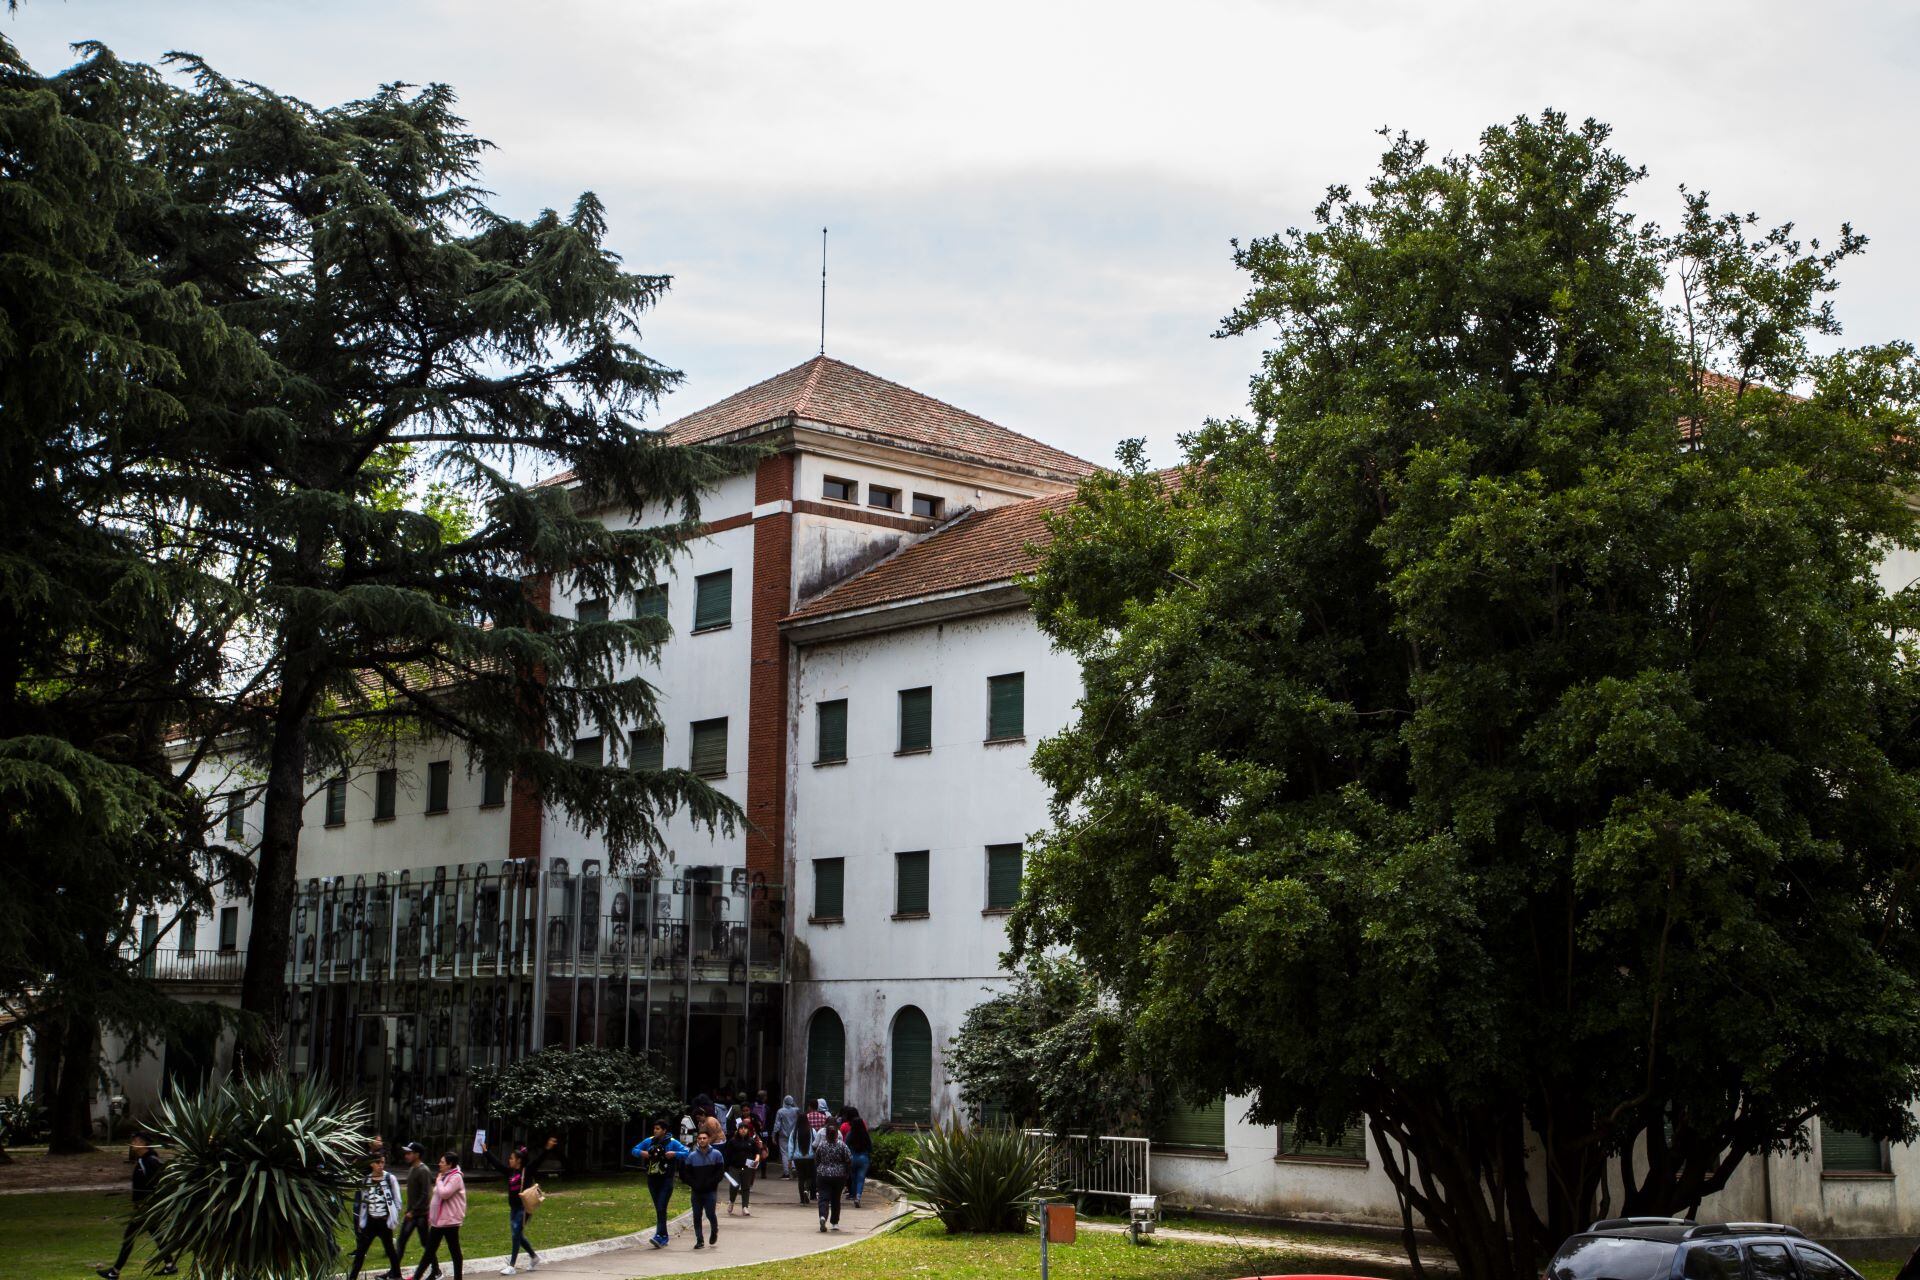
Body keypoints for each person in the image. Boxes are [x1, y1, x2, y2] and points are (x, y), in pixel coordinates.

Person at [97, 1132, 176, 1280]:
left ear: (144, 1143)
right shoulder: (143, 1160)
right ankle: (170, 1265)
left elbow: (157, 1184)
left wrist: (147, 1204)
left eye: (136, 1141)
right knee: (157, 1235)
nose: (133, 1143)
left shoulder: (150, 1161)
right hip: (144, 1208)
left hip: (145, 1209)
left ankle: (115, 1272)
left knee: (129, 1238)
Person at [481, 1135, 557, 1274]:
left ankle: (512, 1265)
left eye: (511, 1158)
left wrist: (547, 1148)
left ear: (518, 1161)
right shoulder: (510, 1171)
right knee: (518, 1235)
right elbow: (497, 1164)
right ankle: (534, 1257)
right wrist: (486, 1152)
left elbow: (539, 1161)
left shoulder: (526, 1171)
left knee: (516, 1233)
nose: (509, 1160)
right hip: (514, 1208)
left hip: (524, 1208)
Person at [629, 1120, 689, 1248]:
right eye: (654, 1128)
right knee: (659, 1209)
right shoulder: (649, 1141)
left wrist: (674, 1154)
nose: (655, 1131)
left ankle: (659, 1236)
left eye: (658, 1129)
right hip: (652, 1179)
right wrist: (642, 1153)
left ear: (664, 1130)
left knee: (661, 1207)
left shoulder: (672, 1142)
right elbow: (634, 1150)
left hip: (666, 1179)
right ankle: (663, 1236)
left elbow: (686, 1153)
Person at [409, 1151, 468, 1280]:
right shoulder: (445, 1175)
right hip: (439, 1222)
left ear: (450, 1164)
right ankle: (417, 1277)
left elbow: (445, 1193)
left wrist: (439, 1181)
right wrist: (432, 1217)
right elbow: (436, 1198)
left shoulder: (456, 1177)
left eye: (442, 1162)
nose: (439, 1164)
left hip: (450, 1222)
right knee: (429, 1252)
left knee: (454, 1251)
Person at [347, 1151, 405, 1280]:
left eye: (383, 1162)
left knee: (390, 1250)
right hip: (371, 1222)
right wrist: (362, 1222)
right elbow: (364, 1203)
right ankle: (352, 1277)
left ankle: (397, 1276)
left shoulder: (390, 1178)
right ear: (372, 1164)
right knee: (361, 1251)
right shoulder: (366, 1180)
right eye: (378, 1162)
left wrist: (392, 1218)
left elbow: (397, 1200)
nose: (381, 1165)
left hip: (384, 1222)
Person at [677, 1129, 727, 1251]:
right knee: (697, 1215)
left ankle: (714, 1230)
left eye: (704, 1138)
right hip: (696, 1191)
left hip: (710, 1191)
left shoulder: (717, 1155)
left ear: (709, 1139)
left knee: (710, 1213)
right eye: (700, 1138)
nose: (702, 1140)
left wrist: (710, 1183)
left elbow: (719, 1173)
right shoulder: (692, 1156)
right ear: (697, 1140)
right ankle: (699, 1240)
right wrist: (694, 1184)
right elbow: (685, 1174)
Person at [397, 1142, 438, 1280]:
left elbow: (426, 1194)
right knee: (402, 1242)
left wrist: (413, 1211)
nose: (406, 1155)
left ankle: (436, 1270)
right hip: (412, 1213)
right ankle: (394, 1272)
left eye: (409, 1153)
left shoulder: (423, 1170)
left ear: (417, 1155)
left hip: (420, 1215)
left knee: (426, 1244)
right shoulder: (412, 1169)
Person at [721, 1115, 767, 1216]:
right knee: (734, 1186)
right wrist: (726, 1167)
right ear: (738, 1130)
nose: (743, 1130)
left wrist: (756, 1160)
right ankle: (731, 1202)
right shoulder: (732, 1141)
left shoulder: (751, 1141)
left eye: (745, 1128)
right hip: (734, 1167)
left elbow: (757, 1152)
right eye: (741, 1128)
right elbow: (727, 1155)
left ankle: (745, 1206)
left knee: (746, 1187)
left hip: (747, 1167)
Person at [811, 1121, 852, 1232]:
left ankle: (823, 1216)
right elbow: (849, 1159)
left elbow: (817, 1159)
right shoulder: (842, 1145)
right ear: (836, 1134)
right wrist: (847, 1172)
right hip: (839, 1176)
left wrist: (820, 1168)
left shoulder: (822, 1145)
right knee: (835, 1199)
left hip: (823, 1175)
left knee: (823, 1197)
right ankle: (834, 1223)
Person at [840, 1106, 872, 1208]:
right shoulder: (865, 1134)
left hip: (852, 1158)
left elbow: (845, 1145)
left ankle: (853, 1195)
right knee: (861, 1178)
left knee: (853, 1178)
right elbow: (870, 1147)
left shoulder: (850, 1134)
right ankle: (858, 1196)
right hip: (864, 1158)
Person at [772, 1095, 800, 1179]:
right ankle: (794, 1167)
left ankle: (786, 1173)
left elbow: (777, 1125)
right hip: (794, 1134)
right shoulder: (796, 1110)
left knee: (784, 1153)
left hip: (783, 1135)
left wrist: (773, 1135)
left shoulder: (780, 1111)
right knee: (794, 1151)